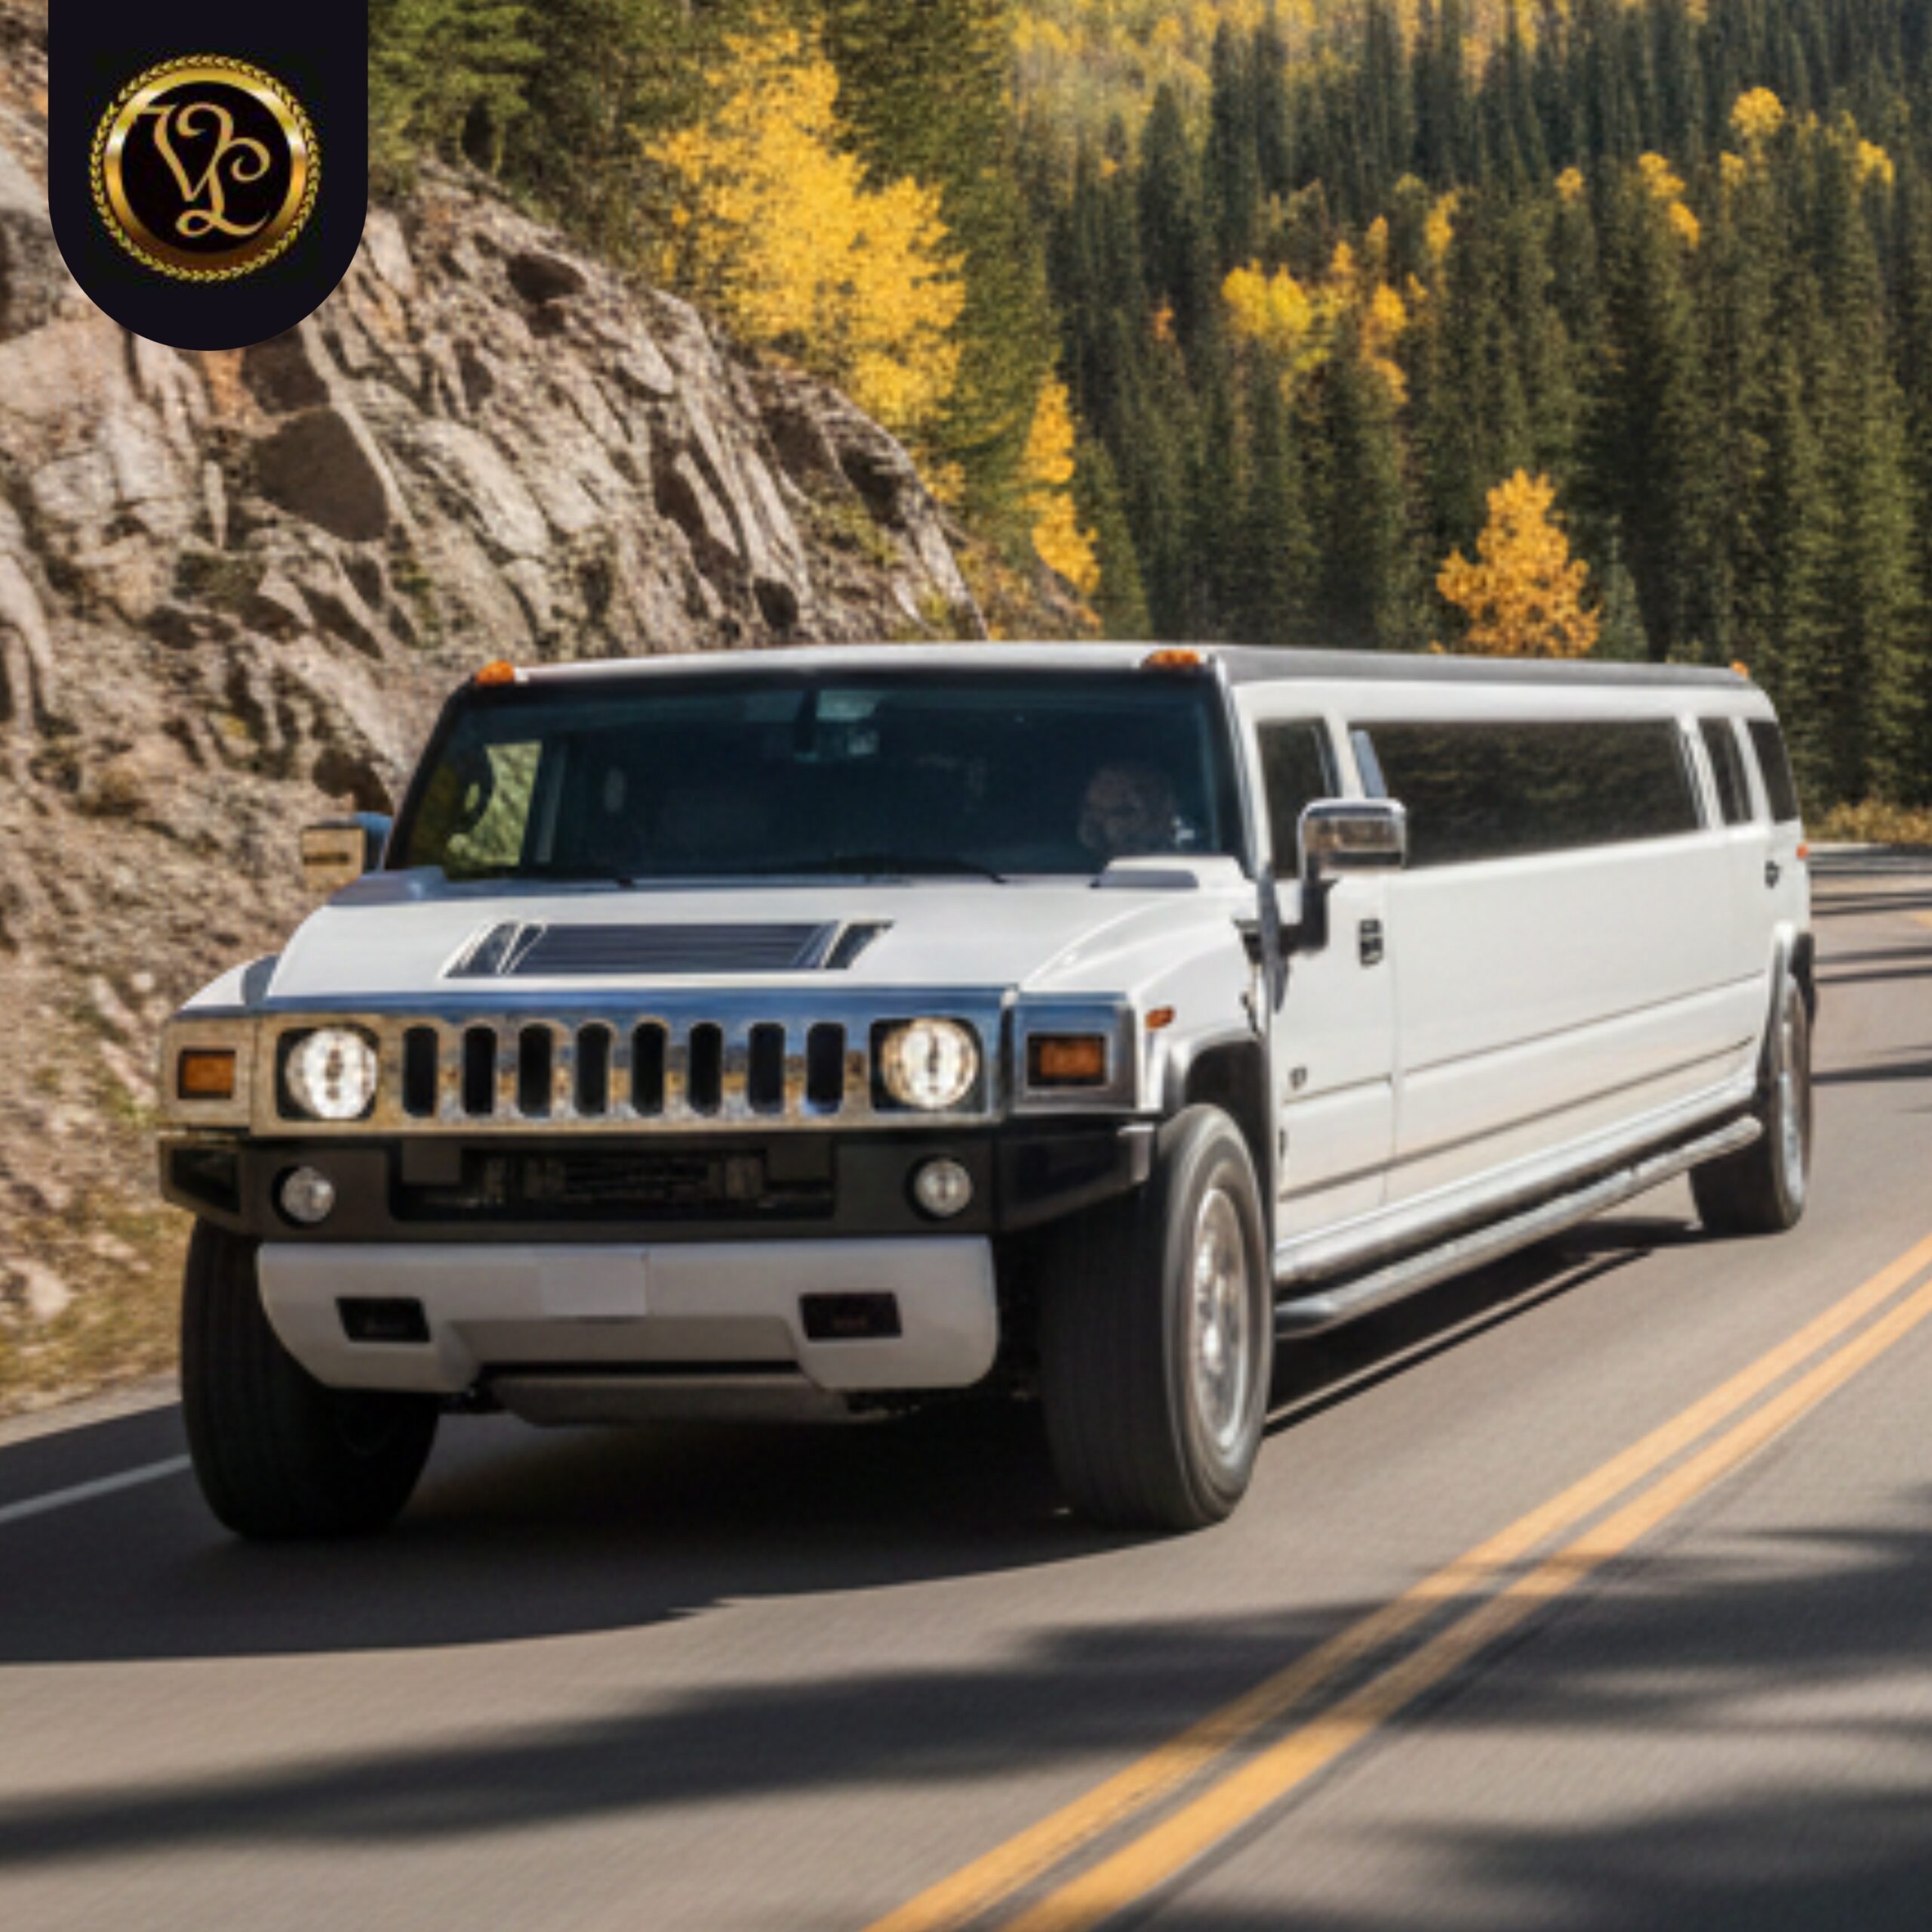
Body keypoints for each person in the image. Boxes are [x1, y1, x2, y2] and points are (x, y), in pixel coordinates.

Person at [1078, 761, 1178, 863]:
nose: (1096, 788)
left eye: (1109, 782)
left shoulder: (1169, 860)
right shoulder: (1073, 865)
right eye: (1097, 780)